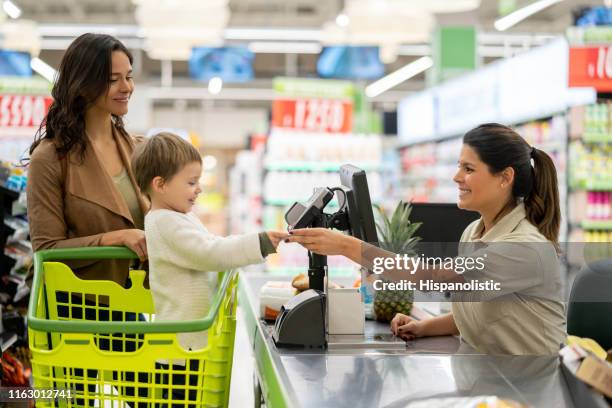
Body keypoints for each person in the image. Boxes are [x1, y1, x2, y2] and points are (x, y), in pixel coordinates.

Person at [286, 123, 566, 355]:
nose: (457, 177)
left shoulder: (523, 248)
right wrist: (425, 327)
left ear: (505, 178)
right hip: (490, 375)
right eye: (459, 166)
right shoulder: (475, 231)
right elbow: (479, 310)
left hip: (532, 386)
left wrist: (345, 246)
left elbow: (427, 276)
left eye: (468, 169)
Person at [131, 132, 287, 404]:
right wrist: (259, 243)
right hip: (178, 352)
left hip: (188, 345)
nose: (199, 189)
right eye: (191, 182)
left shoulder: (179, 217)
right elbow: (210, 252)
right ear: (160, 185)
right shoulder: (164, 223)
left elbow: (211, 243)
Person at [27, 33, 148, 286]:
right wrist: (114, 238)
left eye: (129, 76)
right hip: (73, 311)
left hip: (131, 305)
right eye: (113, 80)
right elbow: (46, 250)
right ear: (83, 85)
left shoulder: (137, 149)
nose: (126, 87)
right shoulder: (50, 158)